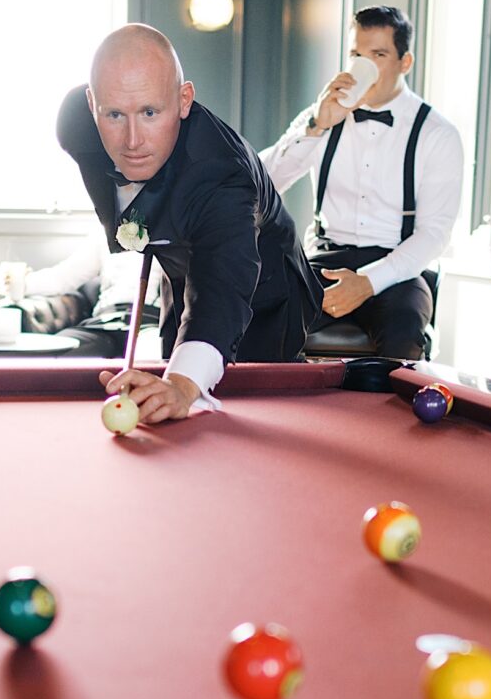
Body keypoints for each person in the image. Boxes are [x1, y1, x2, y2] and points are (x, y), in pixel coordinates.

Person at [57, 23, 321, 425]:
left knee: (250, 420)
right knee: (170, 390)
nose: (132, 140)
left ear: (184, 100)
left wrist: (184, 384)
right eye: (114, 114)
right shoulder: (77, 122)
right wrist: (175, 381)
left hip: (266, 290)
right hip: (179, 271)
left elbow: (221, 288)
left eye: (149, 112)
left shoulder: (221, 176)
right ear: (93, 104)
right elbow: (109, 177)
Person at [259, 5, 464, 360]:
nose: (362, 64)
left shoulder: (437, 134)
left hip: (396, 266)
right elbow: (262, 183)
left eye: (378, 54)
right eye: (356, 54)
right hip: (323, 259)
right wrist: (316, 124)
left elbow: (434, 235)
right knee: (265, 322)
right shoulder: (322, 114)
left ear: (405, 63)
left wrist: (368, 282)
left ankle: (387, 416)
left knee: (405, 330)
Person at [0, 232, 162, 357]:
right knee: (57, 354)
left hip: (151, 324)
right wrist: (22, 284)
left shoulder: (175, 234)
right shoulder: (105, 233)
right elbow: (64, 277)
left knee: (150, 356)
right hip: (103, 323)